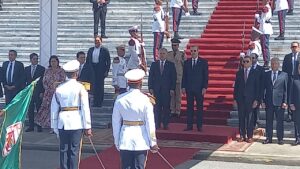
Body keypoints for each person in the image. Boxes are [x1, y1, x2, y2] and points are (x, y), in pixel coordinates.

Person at [112, 69, 159, 169]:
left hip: (125, 138)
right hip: (141, 139)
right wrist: (153, 142)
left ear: (128, 83)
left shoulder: (120, 99)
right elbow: (150, 123)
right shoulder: (146, 99)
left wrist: (117, 141)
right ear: (141, 83)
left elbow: (115, 122)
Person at [51, 60, 92, 169]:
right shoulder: (80, 87)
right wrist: (87, 126)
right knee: (74, 150)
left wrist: (54, 126)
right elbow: (85, 108)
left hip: (62, 122)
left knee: (63, 149)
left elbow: (54, 109)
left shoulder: (59, 88)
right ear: (76, 73)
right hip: (76, 122)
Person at [182, 45, 208, 132]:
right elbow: (184, 76)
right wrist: (183, 87)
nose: (193, 52)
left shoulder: (203, 62)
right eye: (191, 51)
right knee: (189, 108)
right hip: (189, 88)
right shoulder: (187, 62)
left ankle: (199, 126)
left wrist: (204, 87)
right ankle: (189, 126)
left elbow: (206, 76)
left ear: (198, 51)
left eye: (194, 51)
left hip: (199, 89)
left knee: (199, 108)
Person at [149, 48, 176, 129]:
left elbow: (173, 78)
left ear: (166, 54)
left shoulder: (171, 65)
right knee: (157, 108)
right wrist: (150, 87)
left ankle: (165, 124)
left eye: (163, 53)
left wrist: (172, 88)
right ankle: (157, 124)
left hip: (166, 90)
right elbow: (151, 77)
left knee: (166, 108)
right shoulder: (154, 64)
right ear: (158, 54)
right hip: (156, 90)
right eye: (160, 53)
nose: (162, 55)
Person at [35, 55, 66, 129]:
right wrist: (47, 88)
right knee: (47, 109)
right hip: (48, 93)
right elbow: (44, 81)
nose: (53, 63)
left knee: (57, 109)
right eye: (52, 61)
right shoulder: (47, 70)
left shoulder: (61, 70)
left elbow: (63, 80)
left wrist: (56, 87)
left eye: (54, 61)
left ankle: (56, 126)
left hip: (57, 93)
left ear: (57, 62)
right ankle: (49, 125)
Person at [262, 57, 288, 145]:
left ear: (279, 64)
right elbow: (263, 89)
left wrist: (285, 102)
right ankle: (268, 138)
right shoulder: (266, 74)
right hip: (268, 102)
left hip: (279, 102)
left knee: (279, 122)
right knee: (268, 121)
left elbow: (286, 90)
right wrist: (262, 101)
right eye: (272, 63)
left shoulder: (284, 75)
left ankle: (280, 139)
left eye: (275, 63)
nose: (274, 65)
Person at [234, 55, 259, 143]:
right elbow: (236, 87)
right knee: (241, 118)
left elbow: (257, 87)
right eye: (244, 61)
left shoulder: (255, 72)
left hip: (251, 99)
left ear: (251, 62)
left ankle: (249, 136)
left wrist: (256, 100)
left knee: (250, 118)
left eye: (247, 61)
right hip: (241, 99)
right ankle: (242, 135)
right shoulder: (239, 73)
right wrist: (235, 99)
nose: (245, 63)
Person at [86, 36, 111, 107]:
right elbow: (88, 60)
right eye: (95, 41)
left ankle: (99, 102)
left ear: (101, 41)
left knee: (100, 86)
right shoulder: (91, 50)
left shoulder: (104, 50)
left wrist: (107, 70)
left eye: (98, 41)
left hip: (100, 69)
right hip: (92, 69)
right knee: (93, 86)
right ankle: (94, 101)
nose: (97, 42)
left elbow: (108, 61)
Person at [24, 53, 45, 132]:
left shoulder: (41, 69)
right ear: (30, 60)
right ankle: (31, 126)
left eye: (36, 59)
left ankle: (39, 126)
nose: (35, 60)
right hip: (30, 92)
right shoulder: (26, 69)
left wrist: (42, 92)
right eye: (34, 59)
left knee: (39, 109)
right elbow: (24, 80)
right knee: (30, 109)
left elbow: (43, 81)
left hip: (38, 92)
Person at [167, 38, 185, 117]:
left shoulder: (182, 54)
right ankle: (172, 110)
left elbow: (184, 66)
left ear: (178, 46)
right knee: (171, 95)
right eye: (173, 45)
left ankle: (178, 111)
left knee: (178, 95)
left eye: (175, 45)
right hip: (170, 78)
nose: (174, 47)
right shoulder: (168, 54)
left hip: (178, 77)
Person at [282, 41, 300, 122]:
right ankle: (289, 114)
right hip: (289, 78)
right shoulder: (287, 57)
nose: (294, 48)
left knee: (296, 95)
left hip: (298, 78)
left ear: (298, 47)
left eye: (295, 46)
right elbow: (284, 69)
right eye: (292, 47)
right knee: (289, 94)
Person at [255, 0, 273, 68]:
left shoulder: (266, 7)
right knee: (264, 46)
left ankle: (266, 61)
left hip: (265, 29)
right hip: (264, 28)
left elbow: (263, 20)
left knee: (265, 47)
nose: (262, 1)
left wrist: (258, 18)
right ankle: (266, 61)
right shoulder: (266, 7)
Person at [250, 53, 264, 127]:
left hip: (257, 93)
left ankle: (256, 123)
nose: (252, 59)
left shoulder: (261, 69)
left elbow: (262, 83)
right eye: (251, 58)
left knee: (256, 110)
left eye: (253, 58)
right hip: (249, 93)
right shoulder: (247, 68)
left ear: (256, 59)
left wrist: (261, 97)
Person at [289, 64, 300, 145]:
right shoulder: (294, 79)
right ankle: (297, 138)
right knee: (297, 123)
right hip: (296, 105)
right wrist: (291, 103)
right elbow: (291, 93)